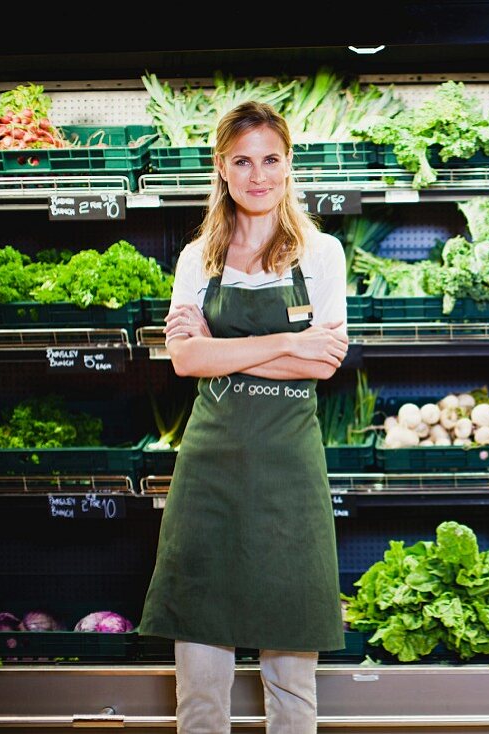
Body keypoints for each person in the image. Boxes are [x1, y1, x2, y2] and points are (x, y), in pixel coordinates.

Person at [139, 100, 349, 734]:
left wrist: (221, 354)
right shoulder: (198, 257)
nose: (258, 175)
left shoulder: (320, 253)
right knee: (200, 691)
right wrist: (288, 343)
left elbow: (326, 363)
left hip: (289, 475)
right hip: (210, 476)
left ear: (288, 167)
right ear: (222, 171)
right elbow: (183, 360)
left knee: (293, 688)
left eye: (271, 160)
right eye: (242, 161)